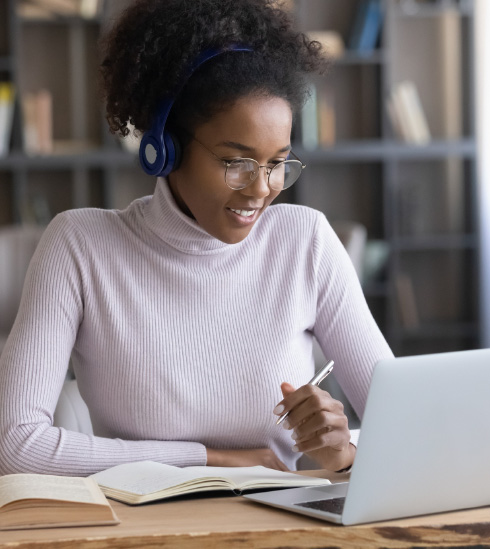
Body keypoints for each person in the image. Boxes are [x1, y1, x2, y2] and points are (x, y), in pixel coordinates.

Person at [0, 0, 393, 477]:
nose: (261, 188)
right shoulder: (80, 246)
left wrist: (345, 454)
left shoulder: (306, 241)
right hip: (142, 526)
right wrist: (211, 460)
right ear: (164, 148)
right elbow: (15, 444)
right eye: (236, 162)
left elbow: (406, 428)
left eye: (276, 163)